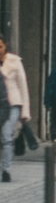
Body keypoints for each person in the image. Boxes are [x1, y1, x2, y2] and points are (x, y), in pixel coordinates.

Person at [0, 34, 29, 182]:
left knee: (6, 136)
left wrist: (25, 111)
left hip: (12, 103)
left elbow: (22, 85)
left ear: (6, 46)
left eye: (0, 46)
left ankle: (6, 170)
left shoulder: (15, 62)